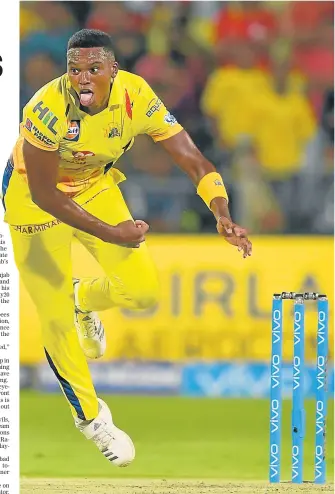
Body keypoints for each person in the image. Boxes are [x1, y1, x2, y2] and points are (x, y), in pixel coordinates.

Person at [3, 29, 252, 467]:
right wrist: (110, 232)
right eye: (74, 69)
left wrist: (220, 212)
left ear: (113, 71)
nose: (82, 78)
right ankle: (93, 420)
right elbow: (45, 193)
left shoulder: (137, 95)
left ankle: (85, 297)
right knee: (55, 318)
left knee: (143, 292)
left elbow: (193, 159)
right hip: (31, 201)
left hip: (95, 187)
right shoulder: (45, 108)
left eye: (94, 69)